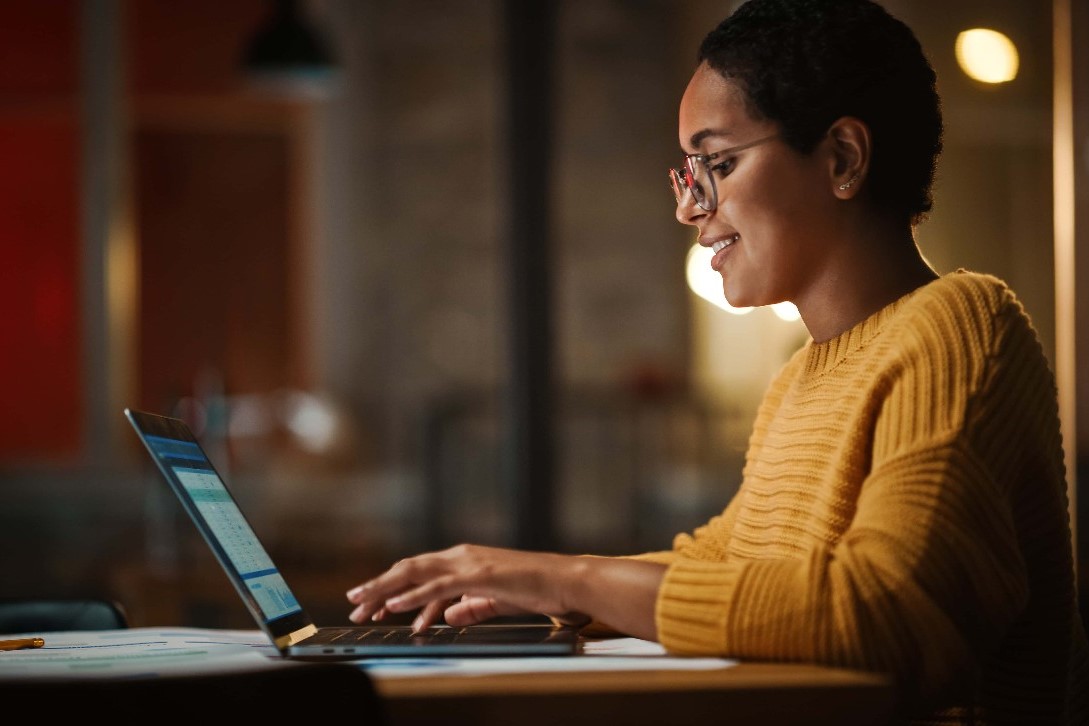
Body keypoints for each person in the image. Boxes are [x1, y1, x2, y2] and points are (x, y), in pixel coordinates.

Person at [346, 0, 1089, 721]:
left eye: (718, 164)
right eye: (690, 172)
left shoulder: (960, 326)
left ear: (841, 157)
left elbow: (884, 612)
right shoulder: (804, 373)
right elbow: (723, 567)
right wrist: (542, 590)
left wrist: (560, 576)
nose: (688, 208)